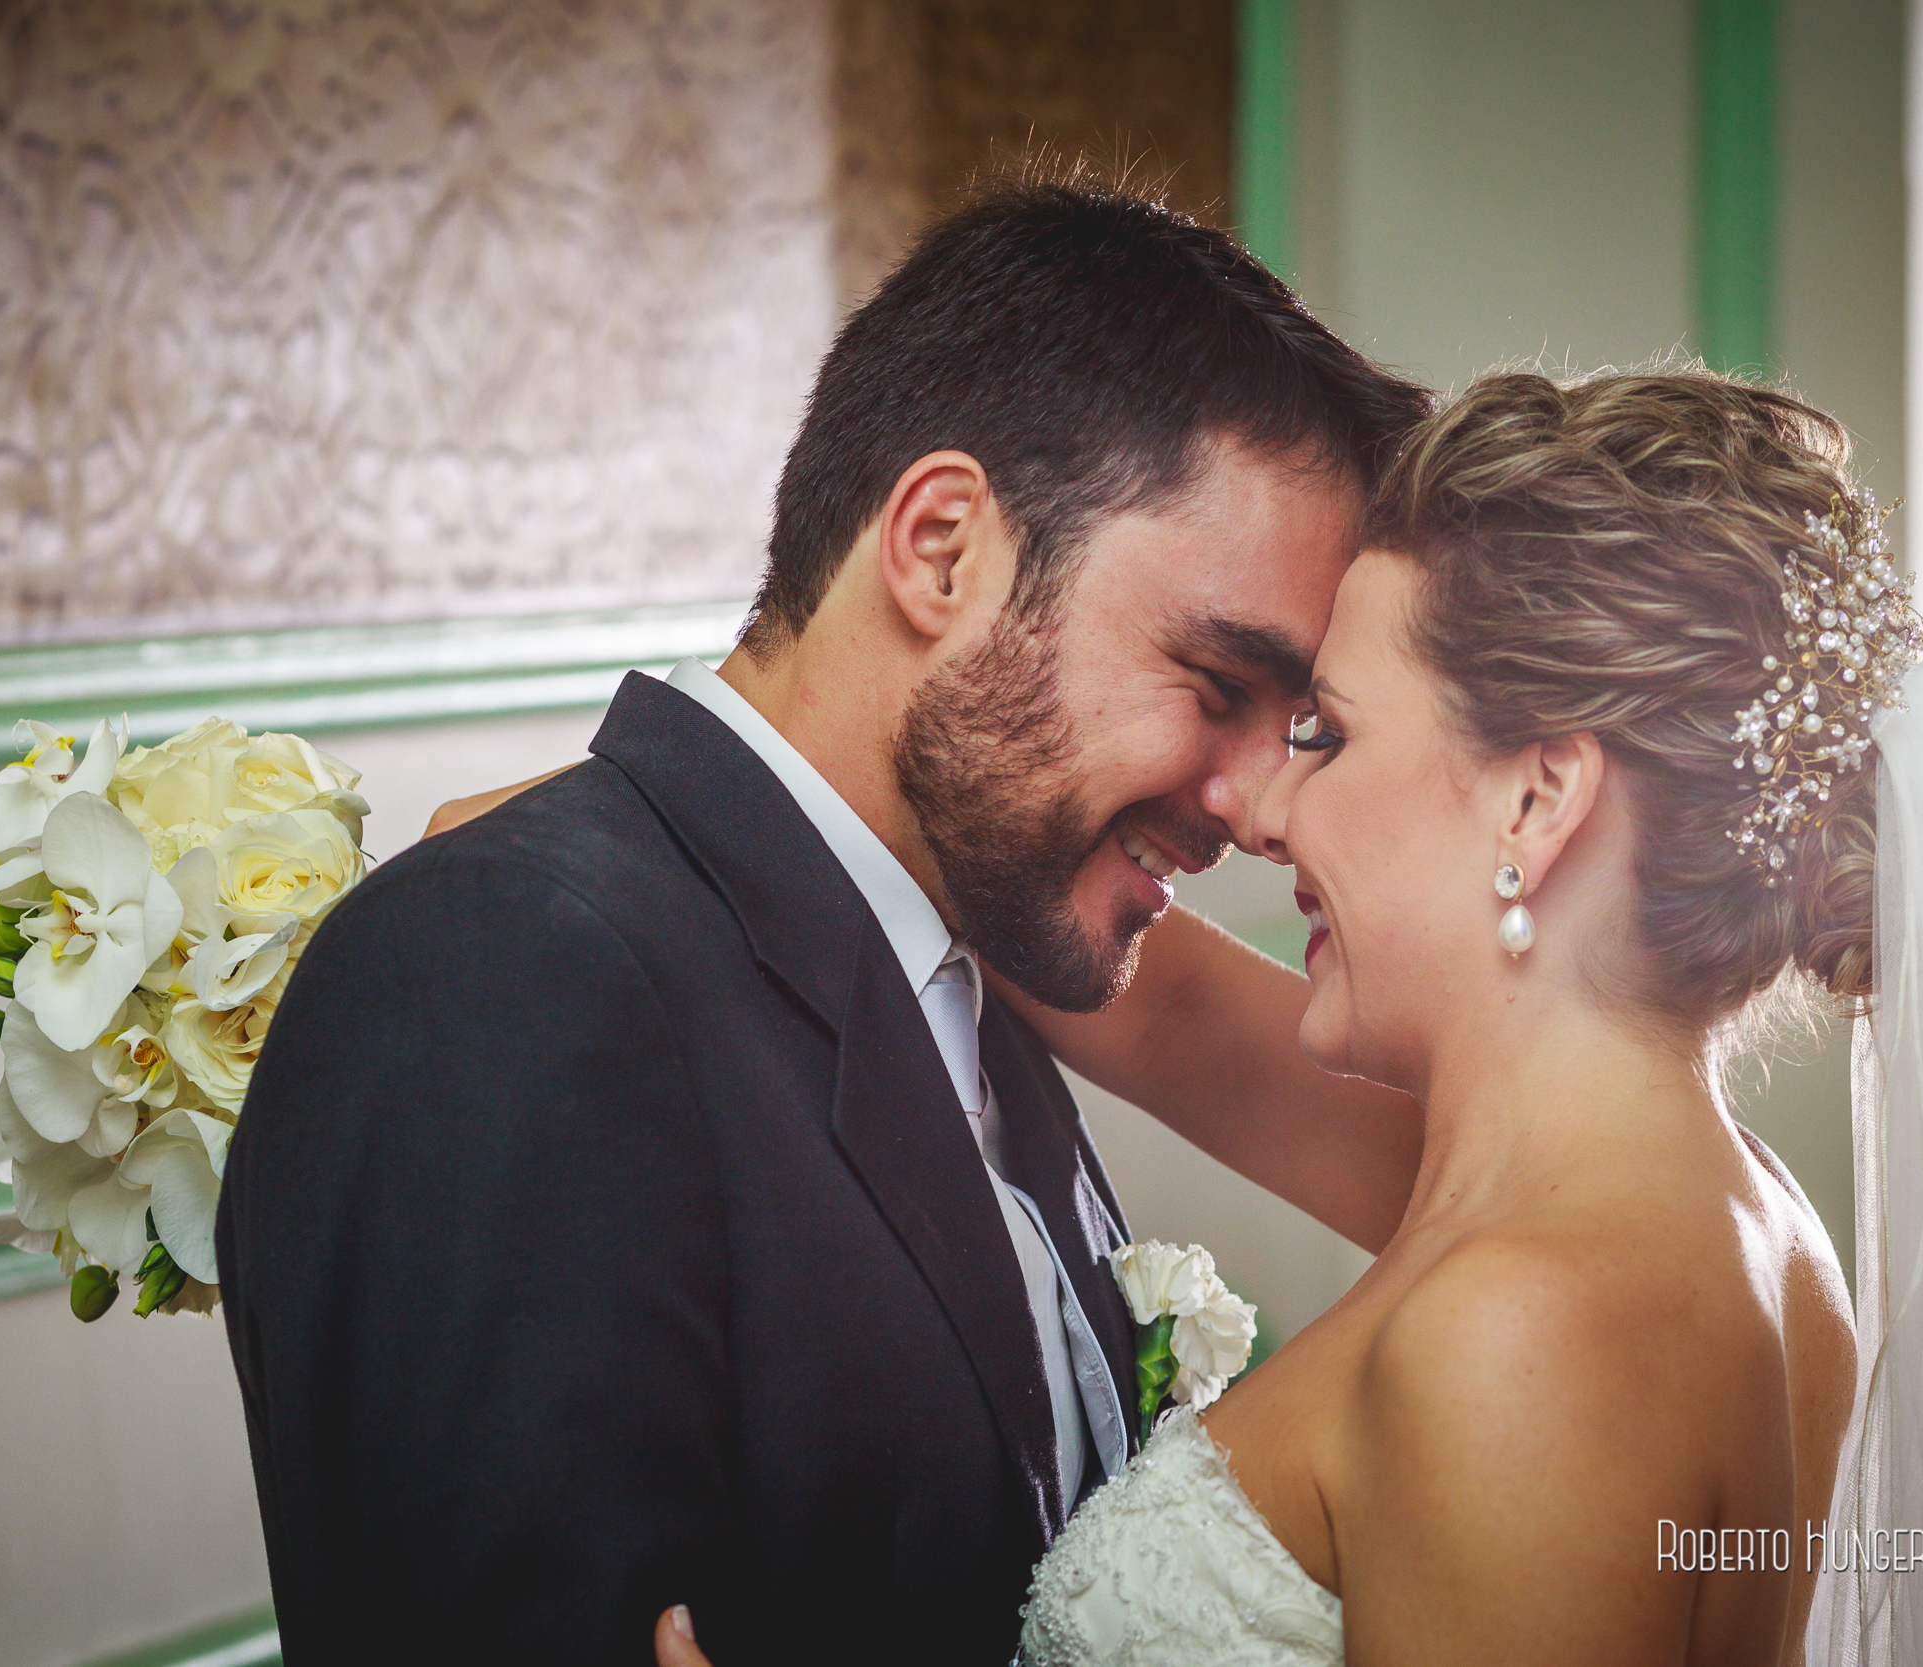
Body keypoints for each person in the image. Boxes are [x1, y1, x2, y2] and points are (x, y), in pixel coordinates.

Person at [650, 365, 1923, 1666]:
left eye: (1330, 737)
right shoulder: (1723, 1225)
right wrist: (679, 809)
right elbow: (1151, 1010)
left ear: (1541, 801)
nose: (1267, 817)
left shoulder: (1525, 1335)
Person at [215, 176, 1429, 1664]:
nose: (1261, 806)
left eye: (1296, 724)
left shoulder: (973, 939)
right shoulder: (498, 975)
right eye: (1218, 686)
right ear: (939, 548)